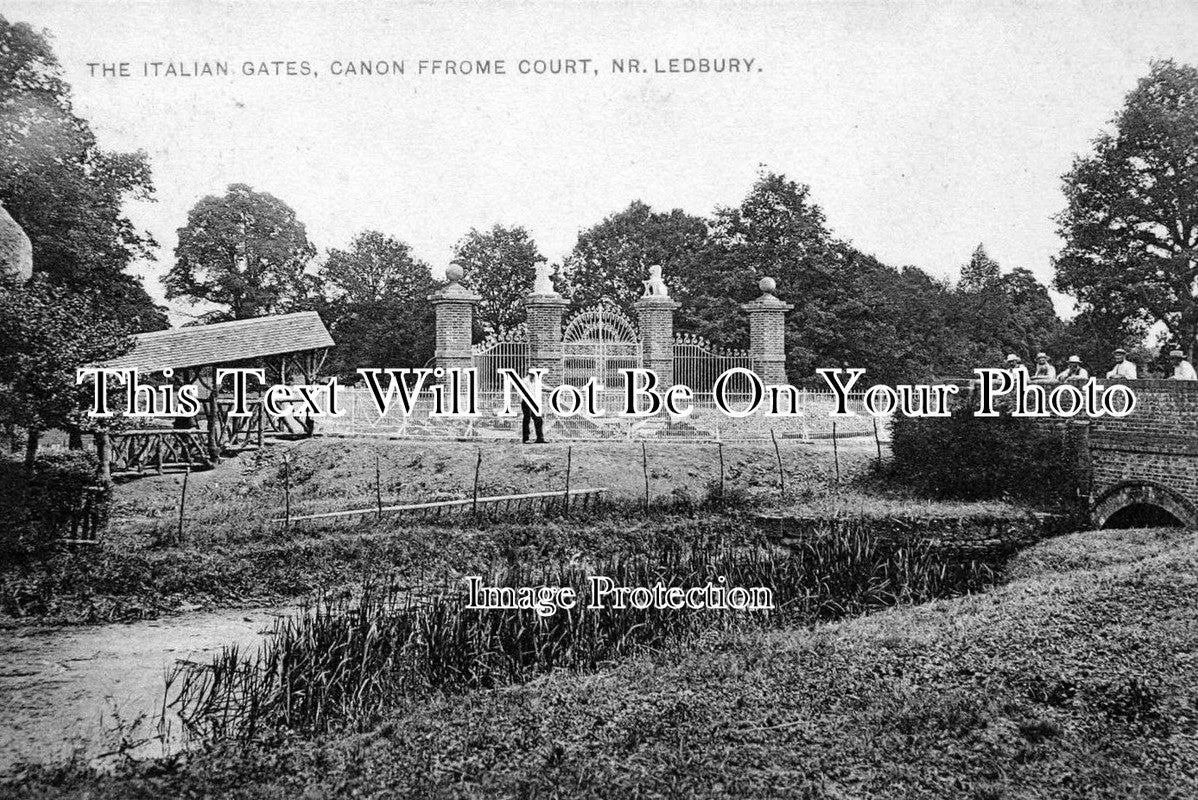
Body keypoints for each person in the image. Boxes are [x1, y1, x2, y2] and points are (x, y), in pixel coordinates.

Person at [521, 368, 546, 444]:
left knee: (538, 419)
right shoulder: (524, 381)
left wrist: (555, 389)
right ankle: (525, 438)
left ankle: (540, 438)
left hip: (534, 402)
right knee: (527, 419)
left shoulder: (536, 381)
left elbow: (543, 387)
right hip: (526, 402)